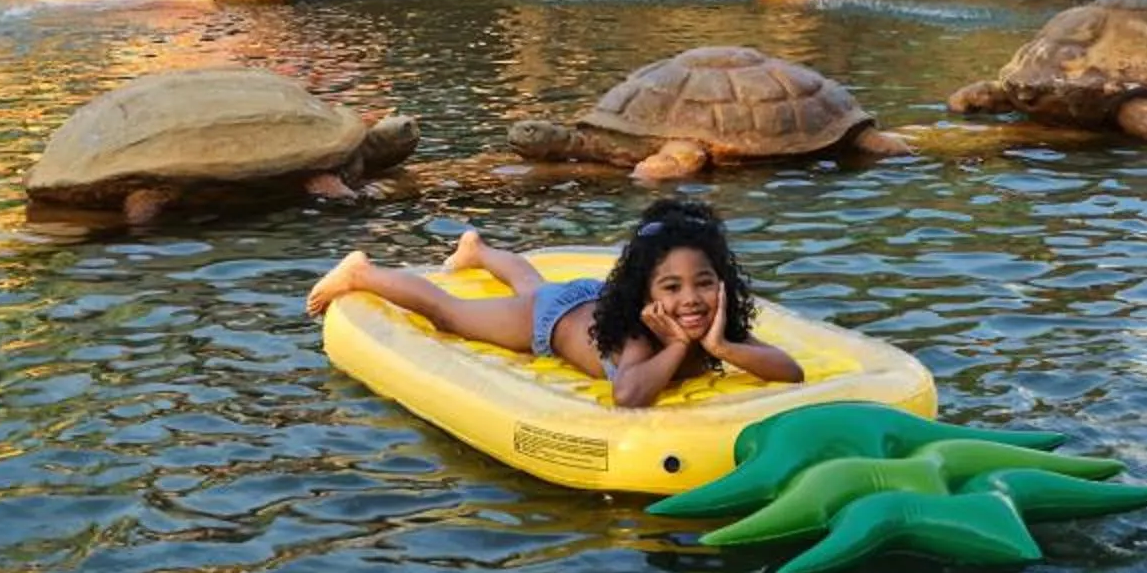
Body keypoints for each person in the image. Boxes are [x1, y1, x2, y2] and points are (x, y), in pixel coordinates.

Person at [303, 196, 803, 408]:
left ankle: (477, 250)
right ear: (647, 294)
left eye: (704, 283)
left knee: (531, 282)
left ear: (722, 281)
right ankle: (362, 271)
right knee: (448, 312)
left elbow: (789, 371)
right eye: (671, 288)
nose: (691, 300)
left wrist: (722, 343)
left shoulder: (712, 321)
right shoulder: (639, 331)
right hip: (553, 320)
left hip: (581, 300)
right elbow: (629, 395)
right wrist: (676, 347)